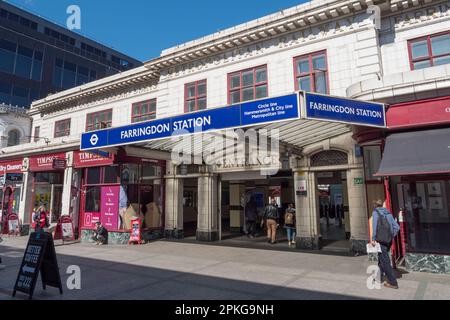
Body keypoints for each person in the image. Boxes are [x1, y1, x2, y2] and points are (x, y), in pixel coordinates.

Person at [371, 200, 400, 289]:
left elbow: (374, 226)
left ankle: (393, 282)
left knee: (385, 261)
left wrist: (373, 239)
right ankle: (378, 277)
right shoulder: (388, 213)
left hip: (381, 240)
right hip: (388, 240)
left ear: (375, 206)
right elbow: (397, 227)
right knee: (381, 258)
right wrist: (391, 236)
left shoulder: (375, 213)